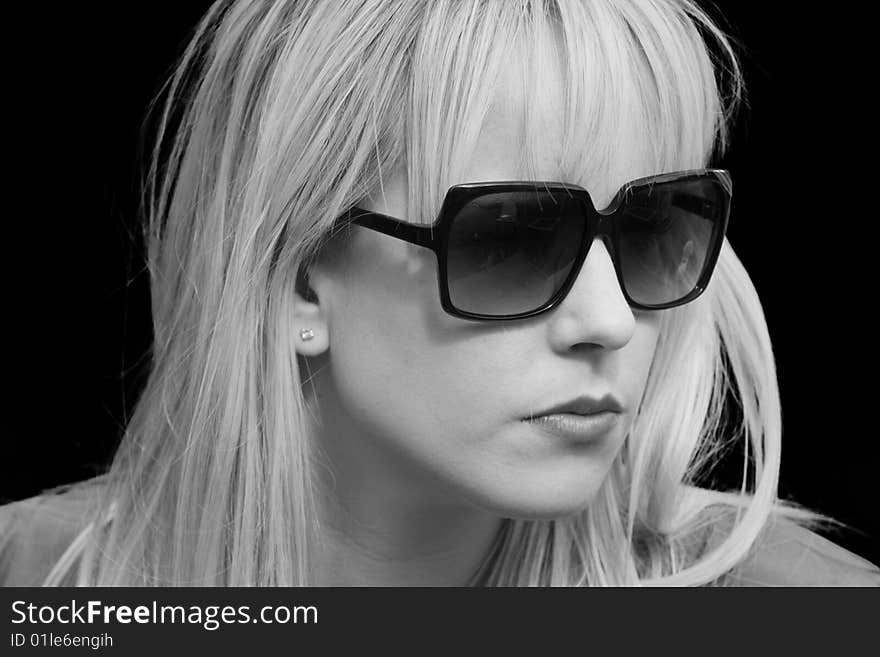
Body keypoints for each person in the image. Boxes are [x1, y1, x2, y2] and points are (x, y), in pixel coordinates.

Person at [1, 0, 877, 587]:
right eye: (513, 238)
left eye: (654, 230)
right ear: (303, 276)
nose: (610, 321)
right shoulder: (42, 589)